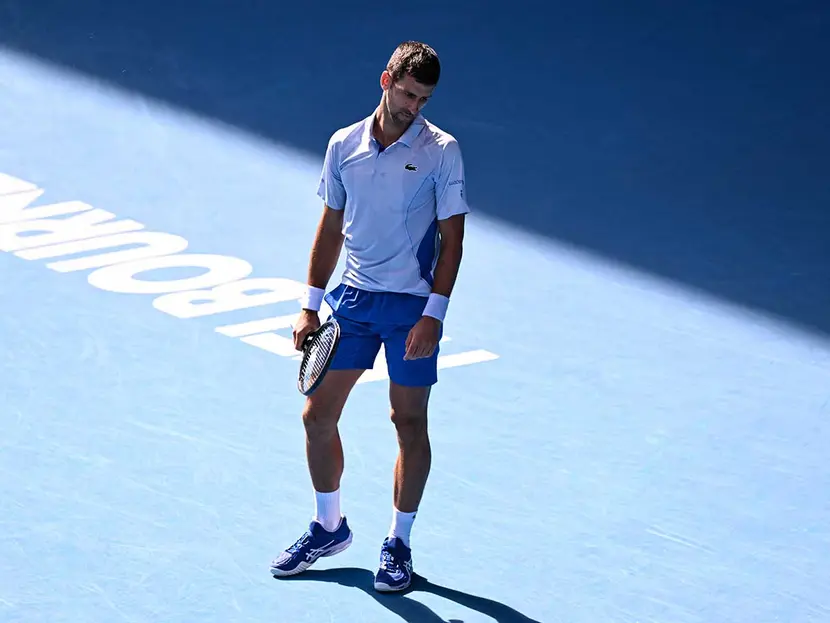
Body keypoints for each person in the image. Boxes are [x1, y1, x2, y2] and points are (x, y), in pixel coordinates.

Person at [269, 40, 469, 592]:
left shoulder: (441, 151)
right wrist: (309, 303)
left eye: (424, 99)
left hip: (411, 309)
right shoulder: (343, 145)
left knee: (408, 422)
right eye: (407, 94)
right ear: (386, 81)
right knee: (316, 417)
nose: (414, 107)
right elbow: (331, 225)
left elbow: (452, 242)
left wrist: (433, 315)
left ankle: (398, 542)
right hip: (354, 301)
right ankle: (329, 526)